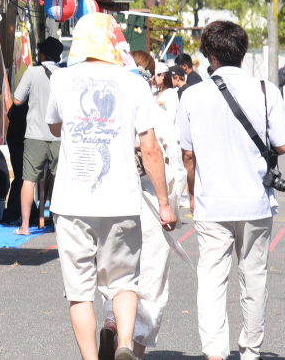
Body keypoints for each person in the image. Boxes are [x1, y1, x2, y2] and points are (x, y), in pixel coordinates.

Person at [45, 13, 175, 360]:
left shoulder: (61, 78)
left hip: (72, 202)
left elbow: (55, 127)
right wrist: (164, 203)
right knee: (123, 282)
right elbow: (150, 148)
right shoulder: (135, 84)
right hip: (122, 200)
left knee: (80, 292)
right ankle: (124, 344)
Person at [178, 20, 285, 360]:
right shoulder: (266, 90)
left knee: (211, 280)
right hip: (255, 200)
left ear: (210, 56)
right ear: (242, 52)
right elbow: (284, 145)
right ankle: (251, 350)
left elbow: (187, 155)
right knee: (254, 278)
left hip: (212, 201)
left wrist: (192, 194)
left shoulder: (192, 94)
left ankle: (215, 352)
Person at [101, 65, 185, 359]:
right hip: (149, 198)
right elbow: (173, 162)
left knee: (116, 270)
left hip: (112, 199)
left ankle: (111, 321)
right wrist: (170, 204)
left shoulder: (108, 114)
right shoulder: (156, 115)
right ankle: (136, 349)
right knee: (150, 276)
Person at [11, 37, 63, 234]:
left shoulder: (32, 72)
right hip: (59, 136)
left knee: (29, 180)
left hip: (35, 135)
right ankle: (59, 225)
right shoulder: (64, 75)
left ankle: (25, 226)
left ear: (42, 54)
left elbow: (17, 100)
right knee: (59, 180)